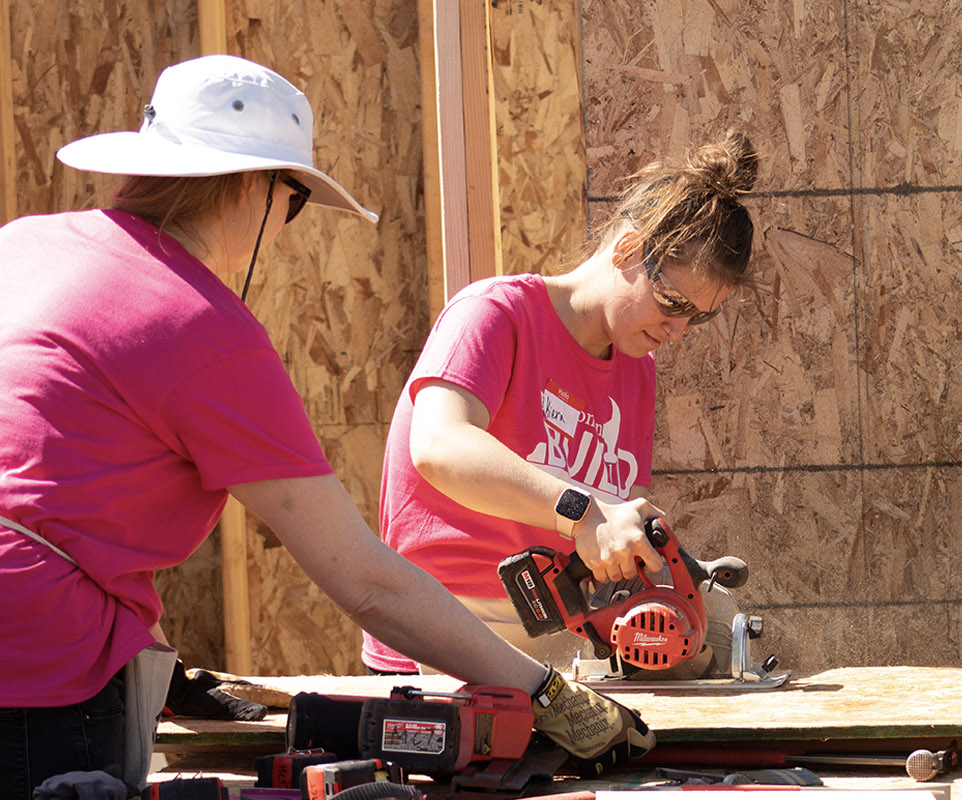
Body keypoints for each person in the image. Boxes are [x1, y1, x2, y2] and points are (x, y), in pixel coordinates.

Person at [0, 54, 653, 799]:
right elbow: (366, 581)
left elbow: (44, 473)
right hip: (36, 669)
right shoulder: (203, 330)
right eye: (297, 201)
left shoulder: (23, 244)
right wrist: (547, 695)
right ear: (256, 186)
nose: (284, 228)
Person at [361, 131, 758, 674]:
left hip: (554, 642)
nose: (679, 329)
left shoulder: (636, 373)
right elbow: (437, 444)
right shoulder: (496, 315)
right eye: (672, 302)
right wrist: (581, 513)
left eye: (700, 315)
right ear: (629, 249)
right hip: (441, 631)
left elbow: (617, 535)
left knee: (711, 633)